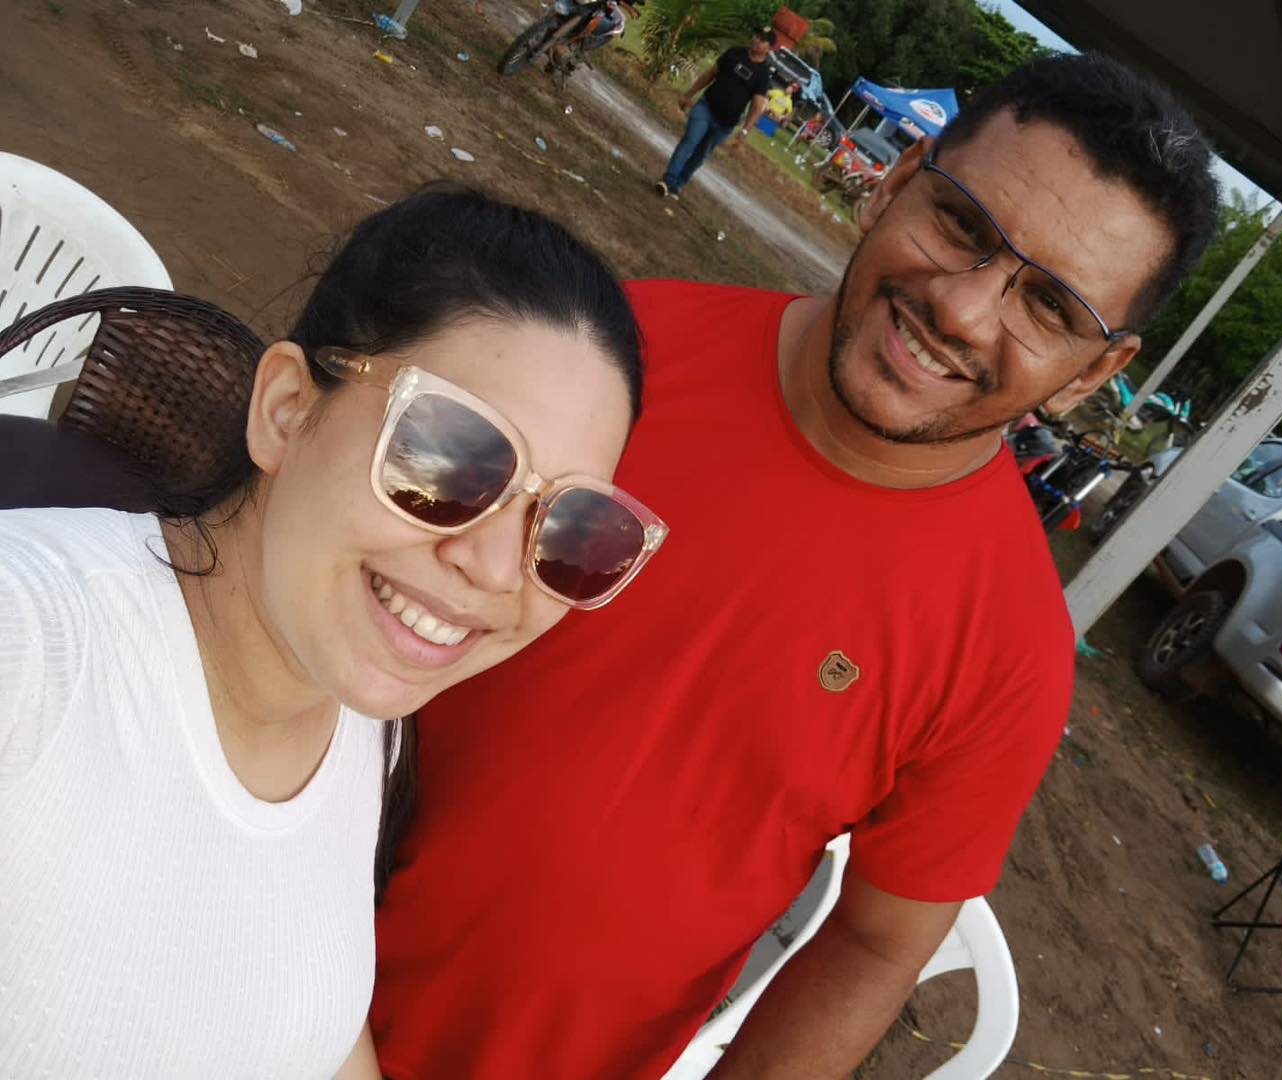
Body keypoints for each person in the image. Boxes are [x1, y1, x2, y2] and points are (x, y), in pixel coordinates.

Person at [372, 52, 1220, 1079]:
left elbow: (876, 945)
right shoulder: (614, 354)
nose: (963, 310)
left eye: (1050, 307)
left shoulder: (1008, 651)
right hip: (253, 908)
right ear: (894, 183)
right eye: (962, 225)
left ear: (1095, 373)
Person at [0, 185, 666, 1079]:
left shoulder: (360, 721)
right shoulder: (27, 648)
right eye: (449, 458)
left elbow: (293, 1015)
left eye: (574, 530)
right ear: (286, 410)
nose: (496, 569)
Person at [655, 28, 775, 199]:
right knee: (690, 140)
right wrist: (689, 94)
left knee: (701, 155)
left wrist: (744, 131)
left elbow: (757, 107)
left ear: (769, 48)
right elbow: (710, 74)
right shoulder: (734, 54)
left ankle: (678, 184)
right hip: (706, 107)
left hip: (725, 124)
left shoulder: (763, 74)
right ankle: (668, 180)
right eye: (756, 36)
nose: (756, 40)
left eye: (762, 40)